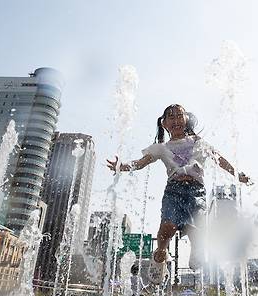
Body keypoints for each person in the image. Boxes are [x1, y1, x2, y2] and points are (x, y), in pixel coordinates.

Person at [107, 104, 250, 284]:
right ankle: (160, 256)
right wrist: (122, 166)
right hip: (173, 191)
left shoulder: (199, 143)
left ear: (186, 119)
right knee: (167, 228)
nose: (176, 120)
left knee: (198, 224)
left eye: (179, 116)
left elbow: (219, 159)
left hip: (196, 191)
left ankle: (196, 250)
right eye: (171, 117)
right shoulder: (161, 148)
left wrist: (238, 174)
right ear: (165, 124)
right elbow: (141, 163)